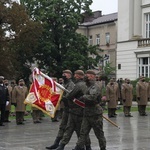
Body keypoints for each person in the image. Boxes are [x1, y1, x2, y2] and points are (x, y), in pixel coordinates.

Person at [55, 70, 91, 150]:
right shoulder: (85, 84)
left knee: (80, 130)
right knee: (70, 128)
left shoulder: (79, 85)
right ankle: (62, 145)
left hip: (78, 111)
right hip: (75, 111)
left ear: (79, 76)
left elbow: (70, 95)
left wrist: (64, 97)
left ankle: (85, 147)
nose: (74, 76)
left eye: (75, 75)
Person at [73, 70, 106, 150]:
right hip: (87, 113)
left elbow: (92, 97)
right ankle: (78, 147)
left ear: (92, 77)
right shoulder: (88, 86)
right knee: (83, 133)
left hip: (95, 114)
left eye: (87, 76)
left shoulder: (95, 86)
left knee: (99, 134)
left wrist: (83, 97)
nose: (85, 78)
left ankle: (103, 148)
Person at [46, 70, 75, 149]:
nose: (63, 75)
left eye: (65, 74)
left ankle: (83, 145)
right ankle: (57, 143)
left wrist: (59, 98)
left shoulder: (71, 85)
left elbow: (69, 96)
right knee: (62, 126)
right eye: (63, 74)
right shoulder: (63, 84)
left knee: (75, 128)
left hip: (72, 109)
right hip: (66, 108)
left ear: (70, 75)